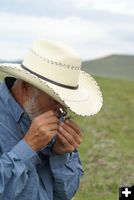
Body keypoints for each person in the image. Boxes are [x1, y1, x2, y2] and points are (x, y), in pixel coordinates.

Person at [0, 39, 103, 200]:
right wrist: (28, 147)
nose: (61, 111)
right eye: (55, 99)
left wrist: (61, 155)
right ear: (27, 87)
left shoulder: (50, 114)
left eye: (65, 103)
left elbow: (65, 194)